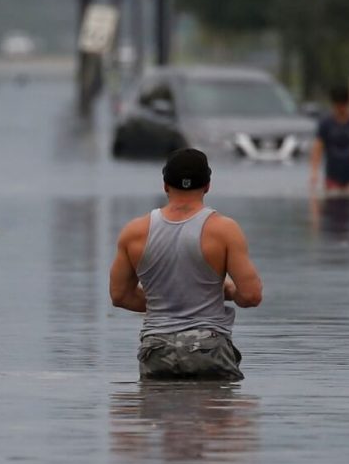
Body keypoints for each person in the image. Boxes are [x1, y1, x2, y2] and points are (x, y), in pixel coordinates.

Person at [109, 148, 263, 381]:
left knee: (157, 413)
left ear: (165, 185)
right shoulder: (224, 230)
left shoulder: (134, 232)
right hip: (208, 348)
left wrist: (169, 303)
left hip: (156, 348)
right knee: (227, 413)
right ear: (208, 185)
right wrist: (229, 291)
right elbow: (251, 296)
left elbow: (119, 296)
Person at [309, 83, 349, 196]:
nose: (340, 109)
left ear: (348, 103)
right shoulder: (326, 124)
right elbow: (317, 149)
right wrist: (314, 172)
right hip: (333, 176)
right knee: (333, 201)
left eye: (343, 105)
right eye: (337, 105)